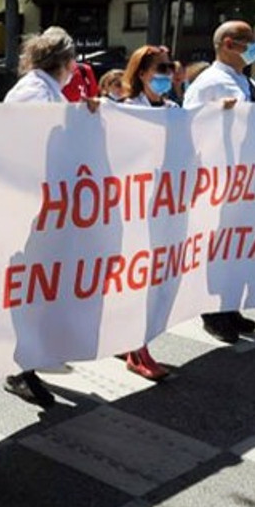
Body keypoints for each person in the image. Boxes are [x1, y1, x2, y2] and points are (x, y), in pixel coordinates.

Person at [2, 26, 95, 407]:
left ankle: (28, 362)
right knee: (29, 290)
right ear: (68, 62)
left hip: (41, 207)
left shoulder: (43, 90)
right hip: (31, 209)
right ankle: (19, 369)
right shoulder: (34, 94)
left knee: (39, 288)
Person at [181, 21, 255, 344]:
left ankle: (230, 306)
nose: (254, 47)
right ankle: (212, 312)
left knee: (235, 247)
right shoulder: (210, 83)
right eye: (249, 41)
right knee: (216, 249)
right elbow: (190, 129)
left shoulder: (245, 80)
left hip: (246, 179)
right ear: (229, 43)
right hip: (219, 180)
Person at [112, 45, 181, 381]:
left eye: (170, 68)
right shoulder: (125, 110)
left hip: (166, 209)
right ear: (141, 73)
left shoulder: (175, 110)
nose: (167, 74)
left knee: (157, 280)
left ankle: (132, 342)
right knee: (137, 282)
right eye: (160, 68)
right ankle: (136, 350)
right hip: (135, 211)